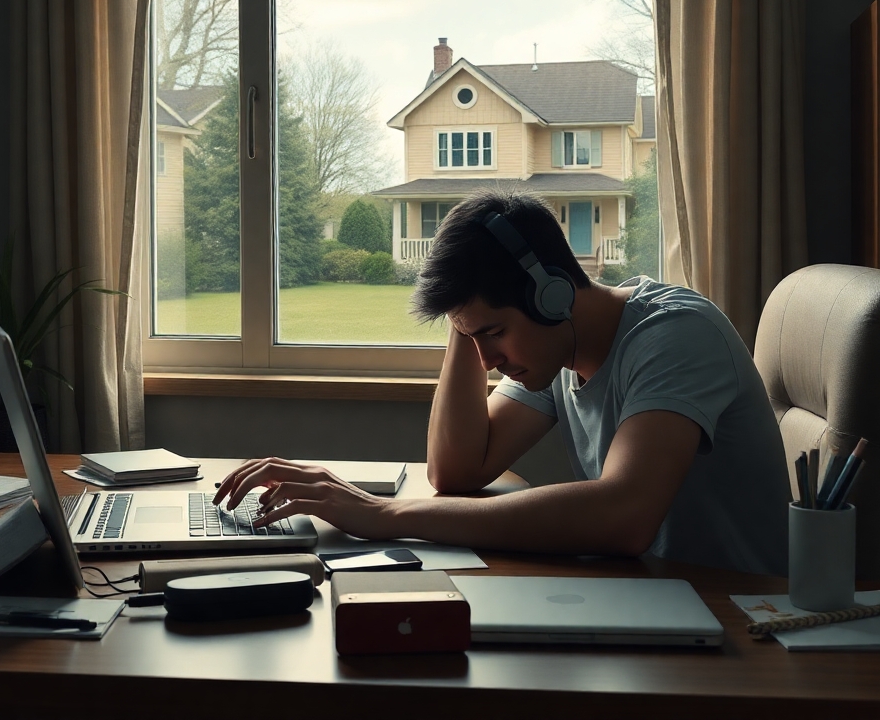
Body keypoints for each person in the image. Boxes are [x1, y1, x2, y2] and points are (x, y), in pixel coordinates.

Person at [213, 188, 790, 576]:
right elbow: (459, 470)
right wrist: (465, 324)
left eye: (493, 333)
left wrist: (384, 515)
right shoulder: (556, 347)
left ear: (555, 292)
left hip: (739, 616)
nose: (486, 361)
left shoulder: (674, 337)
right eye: (472, 340)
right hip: (655, 595)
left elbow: (623, 516)